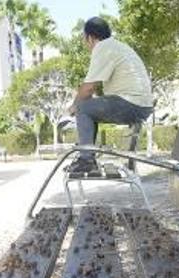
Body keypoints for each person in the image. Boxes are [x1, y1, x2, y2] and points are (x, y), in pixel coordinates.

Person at [68, 17, 154, 173]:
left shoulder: (102, 48)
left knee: (82, 107)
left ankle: (86, 160)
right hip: (142, 105)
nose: (85, 44)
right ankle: (87, 156)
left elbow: (88, 88)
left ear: (90, 37)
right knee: (88, 107)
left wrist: (74, 106)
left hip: (130, 103)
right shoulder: (117, 46)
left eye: (84, 39)